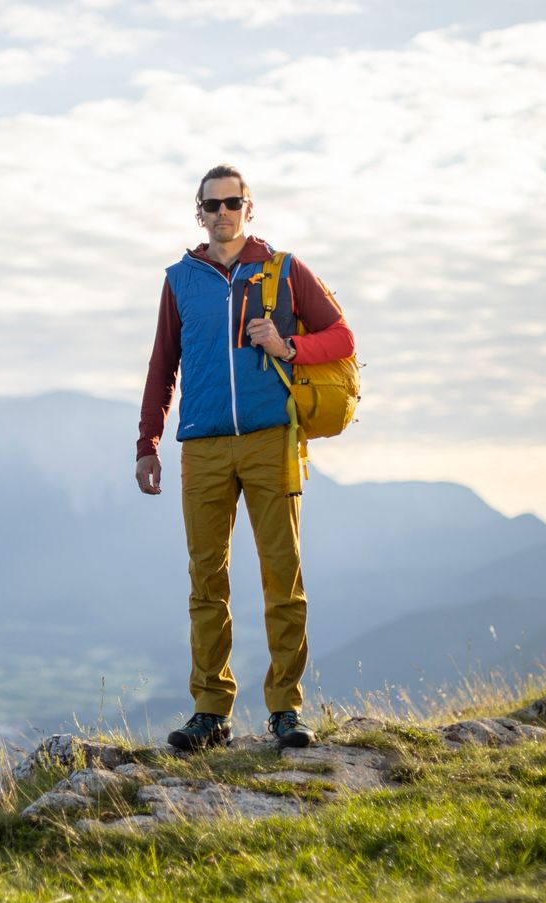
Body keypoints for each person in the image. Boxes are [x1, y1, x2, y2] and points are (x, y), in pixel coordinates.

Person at [135, 164, 355, 750]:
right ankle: (211, 712)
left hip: (270, 440)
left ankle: (286, 710)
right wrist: (147, 444)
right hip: (202, 447)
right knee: (207, 581)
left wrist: (289, 346)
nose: (223, 212)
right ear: (199, 213)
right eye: (212, 205)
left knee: (282, 577)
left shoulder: (282, 270)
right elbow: (163, 367)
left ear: (248, 209)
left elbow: (343, 338)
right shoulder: (180, 279)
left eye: (233, 203)